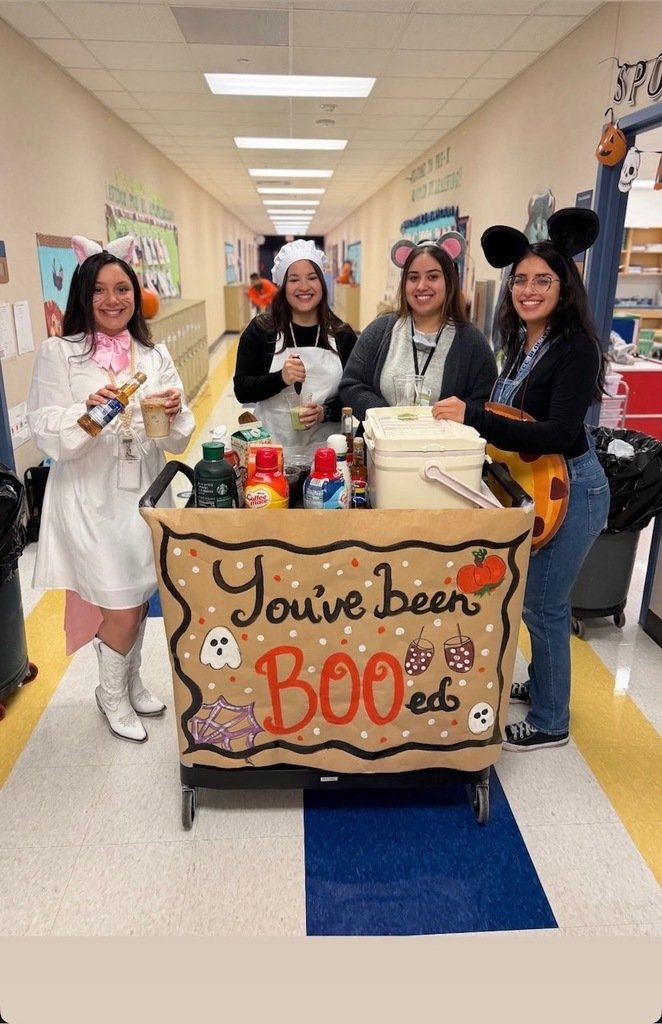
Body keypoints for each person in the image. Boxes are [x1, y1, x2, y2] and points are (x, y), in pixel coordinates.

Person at [434, 207, 610, 752]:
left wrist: (475, 416)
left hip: (571, 490)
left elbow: (557, 432)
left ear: (565, 287)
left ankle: (552, 721)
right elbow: (510, 411)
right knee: (535, 599)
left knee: (543, 606)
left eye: (542, 280)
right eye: (521, 280)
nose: (528, 290)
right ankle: (545, 685)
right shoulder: (526, 342)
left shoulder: (575, 347)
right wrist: (473, 415)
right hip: (536, 488)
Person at [26, 234, 195, 744]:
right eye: (99, 290)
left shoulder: (153, 352)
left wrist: (171, 413)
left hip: (141, 490)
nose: (113, 300)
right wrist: (86, 413)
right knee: (119, 602)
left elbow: (180, 433)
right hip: (88, 497)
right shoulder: (60, 353)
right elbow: (43, 423)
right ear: (83, 295)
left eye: (122, 288)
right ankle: (111, 694)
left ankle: (130, 677)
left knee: (140, 593)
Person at [339, 233, 497, 420]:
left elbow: (486, 402)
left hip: (444, 447)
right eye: (413, 278)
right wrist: (385, 414)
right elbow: (350, 385)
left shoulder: (472, 342)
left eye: (432, 277)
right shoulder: (381, 331)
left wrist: (455, 415)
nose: (421, 286)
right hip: (384, 445)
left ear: (450, 281)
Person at [233, 238, 357, 474]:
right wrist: (280, 379)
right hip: (270, 457)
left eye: (312, 277)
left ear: (322, 283)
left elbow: (355, 394)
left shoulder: (342, 335)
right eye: (294, 279)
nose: (304, 287)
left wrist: (325, 412)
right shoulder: (262, 331)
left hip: (329, 458)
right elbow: (242, 388)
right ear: (282, 286)